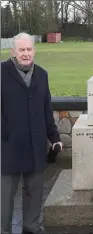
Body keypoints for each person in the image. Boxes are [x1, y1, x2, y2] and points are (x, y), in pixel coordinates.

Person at [1, 32, 63, 234]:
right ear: (13, 52)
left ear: (34, 51)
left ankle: (31, 227)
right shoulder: (2, 72)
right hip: (8, 145)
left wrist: (54, 137)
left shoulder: (42, 74)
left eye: (29, 49)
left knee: (34, 193)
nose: (26, 54)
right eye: (22, 50)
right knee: (5, 196)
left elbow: (46, 108)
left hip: (36, 144)